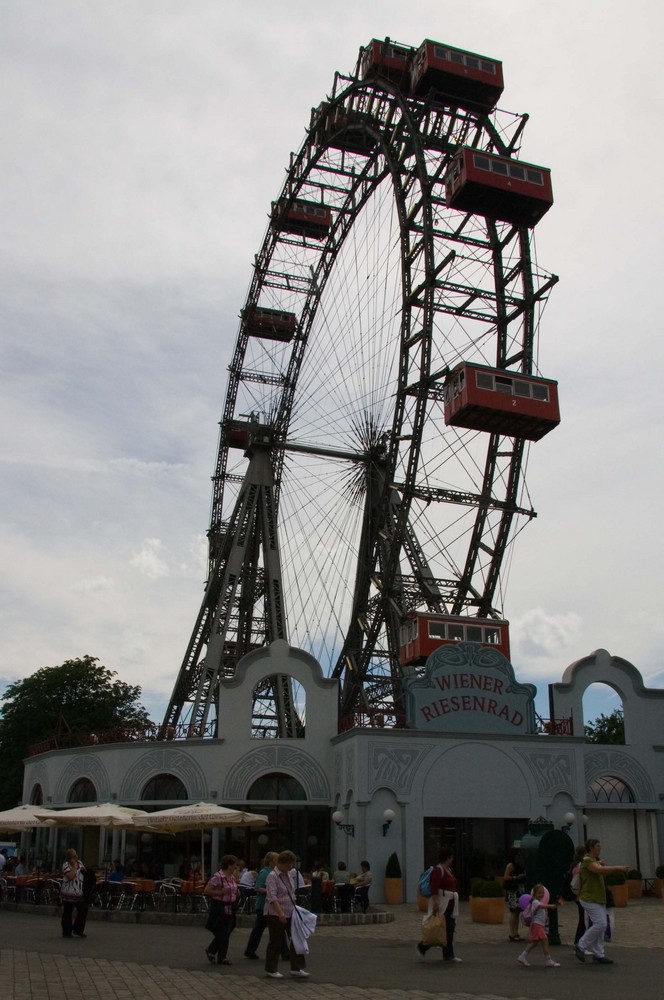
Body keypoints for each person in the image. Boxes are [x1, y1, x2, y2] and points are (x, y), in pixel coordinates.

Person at [574, 838, 630, 965]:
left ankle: (599, 953)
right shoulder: (587, 860)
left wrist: (604, 867)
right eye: (598, 846)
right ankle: (581, 945)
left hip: (597, 897)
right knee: (601, 924)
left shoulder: (595, 861)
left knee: (599, 925)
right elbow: (598, 870)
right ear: (591, 848)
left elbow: (601, 873)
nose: (600, 848)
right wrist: (618, 868)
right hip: (589, 897)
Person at [264, 849, 310, 979]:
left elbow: (291, 892)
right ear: (283, 863)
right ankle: (271, 969)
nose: (291, 867)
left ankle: (297, 967)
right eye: (290, 864)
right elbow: (272, 897)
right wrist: (280, 913)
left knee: (296, 938)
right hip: (275, 913)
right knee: (276, 940)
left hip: (290, 911)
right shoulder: (272, 876)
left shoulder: (288, 874)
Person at [416, 846, 461, 963]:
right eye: (451, 857)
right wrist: (436, 902)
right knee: (439, 928)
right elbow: (434, 888)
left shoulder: (448, 870)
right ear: (448, 858)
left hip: (450, 903)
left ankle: (448, 954)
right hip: (442, 903)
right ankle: (423, 946)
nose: (452, 860)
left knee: (449, 929)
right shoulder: (438, 870)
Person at [244, 852, 290, 961]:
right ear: (271, 861)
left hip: (273, 905)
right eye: (276, 859)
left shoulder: (276, 872)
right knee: (262, 929)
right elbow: (258, 887)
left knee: (274, 929)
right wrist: (271, 891)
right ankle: (284, 952)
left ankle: (284, 951)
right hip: (264, 905)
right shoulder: (265, 872)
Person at [203, 854, 239, 965]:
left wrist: (236, 892)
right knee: (222, 930)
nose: (236, 867)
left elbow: (234, 888)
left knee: (228, 929)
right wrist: (220, 892)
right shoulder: (218, 876)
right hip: (220, 905)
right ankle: (217, 953)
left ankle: (218, 953)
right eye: (234, 865)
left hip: (231, 905)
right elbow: (207, 890)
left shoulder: (232, 877)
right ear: (228, 865)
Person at [517, 884, 560, 967]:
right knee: (545, 940)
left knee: (534, 942)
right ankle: (548, 960)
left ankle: (522, 956)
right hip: (537, 925)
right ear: (534, 894)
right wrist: (550, 906)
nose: (542, 894)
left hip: (538, 925)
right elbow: (541, 906)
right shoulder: (535, 902)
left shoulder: (537, 901)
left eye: (543, 893)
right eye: (539, 893)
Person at [60, 848, 89, 939]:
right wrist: (74, 866)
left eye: (76, 855)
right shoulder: (66, 865)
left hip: (79, 892)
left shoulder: (80, 863)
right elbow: (70, 876)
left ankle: (78, 929)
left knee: (83, 909)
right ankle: (67, 931)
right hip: (68, 892)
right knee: (67, 912)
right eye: (73, 856)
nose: (76, 857)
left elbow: (85, 873)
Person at [503, 848, 526, 941]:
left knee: (517, 911)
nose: (519, 857)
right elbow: (505, 877)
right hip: (513, 890)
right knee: (513, 911)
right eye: (518, 855)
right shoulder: (511, 865)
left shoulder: (520, 865)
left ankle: (516, 932)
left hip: (519, 890)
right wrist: (516, 877)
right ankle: (512, 933)